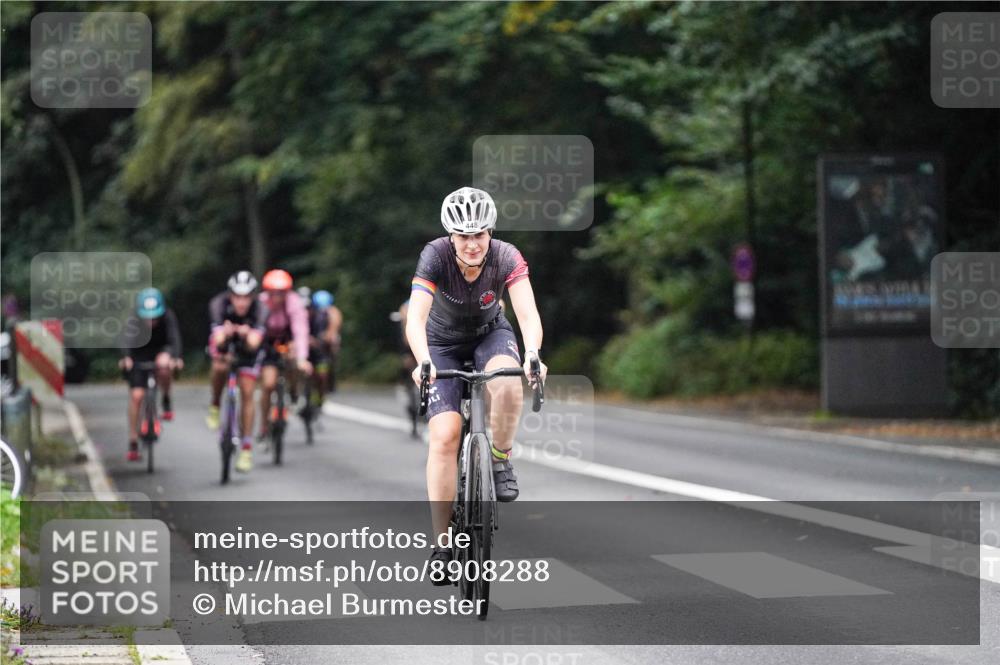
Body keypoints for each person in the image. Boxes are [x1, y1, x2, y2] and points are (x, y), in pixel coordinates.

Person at [405, 186, 547, 580]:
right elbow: (415, 318)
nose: (471, 244)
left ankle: (500, 460)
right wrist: (424, 360)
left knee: (507, 381)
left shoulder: (506, 256)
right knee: (446, 435)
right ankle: (441, 545)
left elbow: (527, 313)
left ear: (490, 232)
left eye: (479, 234)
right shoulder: (434, 256)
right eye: (463, 236)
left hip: (490, 333)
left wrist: (532, 352)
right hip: (441, 343)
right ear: (451, 236)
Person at [206, 271, 268, 473]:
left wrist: (245, 332)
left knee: (248, 392)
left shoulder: (261, 309)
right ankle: (215, 403)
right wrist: (226, 334)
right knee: (219, 366)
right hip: (226, 345)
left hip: (248, 350)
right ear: (230, 295)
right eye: (237, 296)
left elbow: (253, 344)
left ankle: (247, 448)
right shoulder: (218, 305)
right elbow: (218, 340)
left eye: (246, 297)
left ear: (252, 297)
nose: (241, 302)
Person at [120, 288, 183, 462]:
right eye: (148, 317)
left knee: (164, 365)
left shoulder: (168, 317)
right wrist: (126, 358)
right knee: (136, 395)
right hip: (139, 355)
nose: (151, 321)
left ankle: (166, 398)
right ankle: (133, 441)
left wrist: (175, 358)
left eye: (155, 317)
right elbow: (126, 340)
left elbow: (174, 339)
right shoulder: (133, 320)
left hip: (161, 351)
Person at [257, 269, 312, 453]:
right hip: (267, 342)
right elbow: (256, 329)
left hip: (288, 340)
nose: (278, 297)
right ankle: (264, 426)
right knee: (268, 384)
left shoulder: (294, 303)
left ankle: (294, 391)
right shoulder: (261, 303)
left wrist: (302, 358)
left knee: (295, 359)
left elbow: (300, 331)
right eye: (274, 293)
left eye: (282, 293)